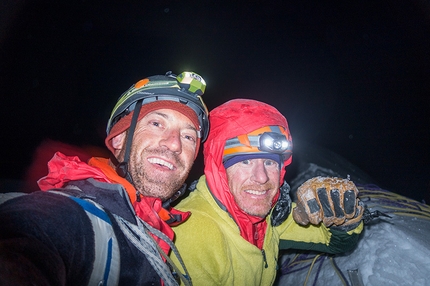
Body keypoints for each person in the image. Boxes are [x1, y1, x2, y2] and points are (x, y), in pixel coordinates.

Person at [0, 71, 210, 286]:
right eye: (156, 124)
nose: (175, 144)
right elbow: (33, 236)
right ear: (119, 139)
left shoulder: (156, 231)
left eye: (188, 136)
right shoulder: (73, 215)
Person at [170, 99, 364, 285]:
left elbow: (336, 242)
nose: (261, 177)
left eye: (270, 163)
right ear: (219, 168)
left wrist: (345, 218)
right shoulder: (192, 233)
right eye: (245, 162)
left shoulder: (271, 215)